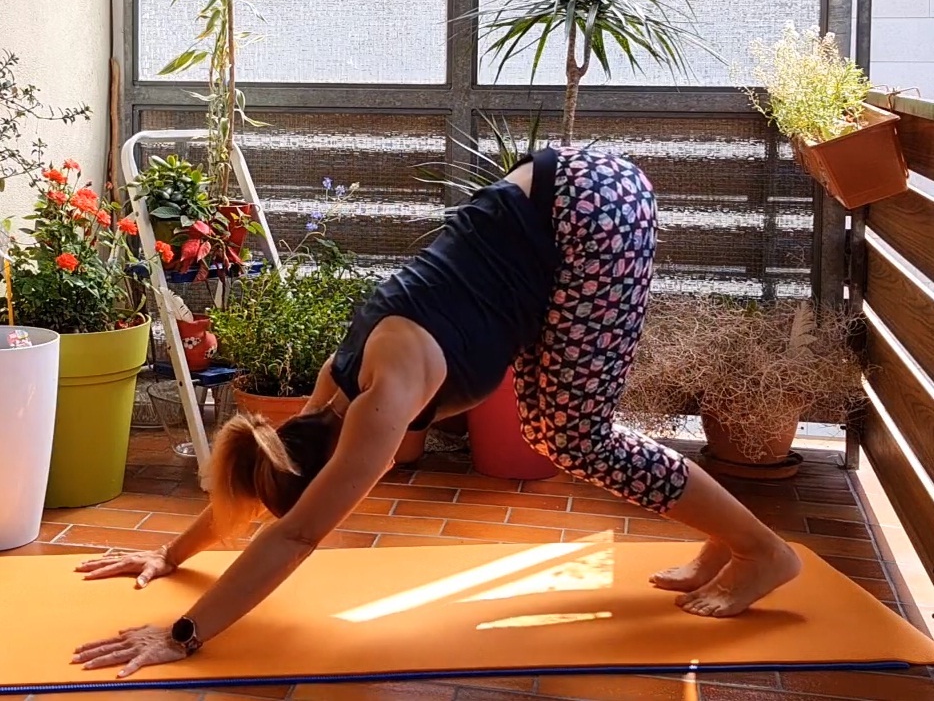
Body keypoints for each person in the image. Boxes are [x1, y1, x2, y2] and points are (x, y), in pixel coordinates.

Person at [71, 146, 802, 678]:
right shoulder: (331, 388)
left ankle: (763, 552)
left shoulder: (381, 404)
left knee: (574, 437)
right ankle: (725, 537)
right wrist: (170, 555)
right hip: (561, 191)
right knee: (555, 428)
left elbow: (294, 533)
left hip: (591, 214)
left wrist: (183, 634)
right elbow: (261, 487)